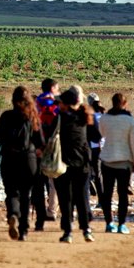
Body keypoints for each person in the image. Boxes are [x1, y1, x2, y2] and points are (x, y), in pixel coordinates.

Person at [0, 86, 44, 241]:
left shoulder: (6, 116)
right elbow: (40, 141)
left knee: (11, 192)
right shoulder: (32, 116)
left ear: (13, 100)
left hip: (9, 158)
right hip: (28, 160)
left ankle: (13, 214)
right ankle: (24, 230)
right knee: (25, 195)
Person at [54, 88, 94, 243]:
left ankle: (68, 232)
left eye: (60, 102)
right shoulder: (85, 117)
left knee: (65, 199)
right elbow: (92, 139)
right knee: (82, 198)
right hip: (83, 164)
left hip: (63, 164)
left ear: (65, 104)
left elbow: (50, 136)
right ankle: (86, 230)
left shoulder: (60, 118)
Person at [98, 93, 134, 234]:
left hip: (107, 160)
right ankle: (121, 224)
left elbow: (101, 134)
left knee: (107, 194)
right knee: (123, 195)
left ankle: (109, 223)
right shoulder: (130, 120)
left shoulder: (104, 118)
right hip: (124, 161)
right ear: (125, 103)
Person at [33, 78, 60, 229]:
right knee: (53, 179)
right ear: (52, 88)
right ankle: (52, 210)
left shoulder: (36, 102)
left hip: (36, 144)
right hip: (51, 145)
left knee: (38, 181)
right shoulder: (54, 103)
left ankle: (40, 213)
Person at [87, 93, 105, 209]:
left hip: (93, 148)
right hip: (105, 148)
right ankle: (102, 199)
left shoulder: (90, 116)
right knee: (101, 175)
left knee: (92, 171)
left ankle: (90, 181)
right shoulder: (104, 115)